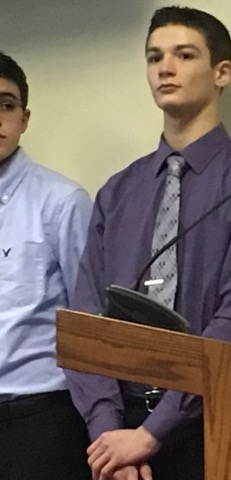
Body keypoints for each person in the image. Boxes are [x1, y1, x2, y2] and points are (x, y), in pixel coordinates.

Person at [65, 6, 231, 480]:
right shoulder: (118, 191)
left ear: (221, 72)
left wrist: (152, 434)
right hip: (114, 431)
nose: (165, 68)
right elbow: (87, 319)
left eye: (184, 55)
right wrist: (109, 434)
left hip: (211, 425)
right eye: (154, 58)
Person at [0, 51, 93, 480]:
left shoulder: (62, 202)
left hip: (38, 417)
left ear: (24, 117)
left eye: (6, 104)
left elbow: (90, 323)